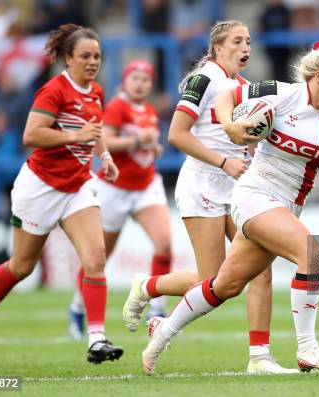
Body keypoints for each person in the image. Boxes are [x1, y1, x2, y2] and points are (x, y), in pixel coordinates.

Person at [135, 41, 319, 375]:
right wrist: (230, 125)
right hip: (255, 194)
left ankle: (163, 330)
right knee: (311, 253)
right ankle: (307, 349)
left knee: (225, 285)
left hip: (287, 207)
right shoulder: (282, 92)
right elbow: (227, 96)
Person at [123, 20, 292, 374]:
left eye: (248, 41)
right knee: (213, 281)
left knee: (260, 268)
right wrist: (222, 161)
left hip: (239, 189)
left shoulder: (244, 88)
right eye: (237, 41)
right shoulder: (204, 80)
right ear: (218, 47)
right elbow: (177, 135)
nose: (245, 47)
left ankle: (259, 357)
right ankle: (147, 286)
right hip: (203, 183)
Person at [0, 23, 124, 364]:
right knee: (21, 266)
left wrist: (105, 155)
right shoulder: (53, 91)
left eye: (96, 55)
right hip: (40, 188)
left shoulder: (96, 91)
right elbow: (31, 135)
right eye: (85, 56)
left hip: (78, 187)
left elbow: (93, 130)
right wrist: (73, 137)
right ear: (68, 58)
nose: (92, 61)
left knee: (95, 258)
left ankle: (96, 338)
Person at [67, 59, 198, 340]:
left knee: (163, 243)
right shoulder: (116, 106)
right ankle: (78, 306)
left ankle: (157, 310)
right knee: (98, 257)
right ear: (125, 81)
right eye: (135, 78)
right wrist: (139, 142)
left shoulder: (148, 110)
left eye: (145, 79)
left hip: (145, 185)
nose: (140, 83)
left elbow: (141, 144)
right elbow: (105, 142)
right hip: (113, 188)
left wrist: (153, 146)